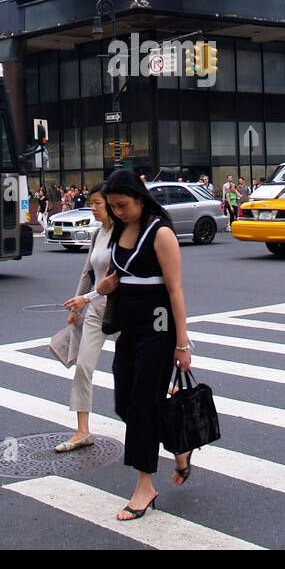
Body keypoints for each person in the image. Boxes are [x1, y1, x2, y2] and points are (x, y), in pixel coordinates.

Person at [97, 170, 192, 521]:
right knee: (125, 401)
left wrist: (182, 344)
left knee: (141, 405)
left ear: (139, 198)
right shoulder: (121, 229)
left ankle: (144, 487)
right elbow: (117, 275)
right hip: (129, 329)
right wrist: (105, 289)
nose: (118, 212)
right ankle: (179, 445)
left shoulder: (161, 232)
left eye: (122, 205)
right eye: (113, 207)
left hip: (159, 326)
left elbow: (175, 289)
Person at [57, 182, 114, 451]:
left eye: (97, 203)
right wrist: (76, 306)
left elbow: (117, 280)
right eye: (91, 203)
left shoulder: (123, 236)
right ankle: (82, 430)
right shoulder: (97, 234)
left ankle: (171, 388)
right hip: (95, 311)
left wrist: (85, 299)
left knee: (139, 366)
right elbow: (88, 273)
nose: (92, 208)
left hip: (120, 311)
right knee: (83, 366)